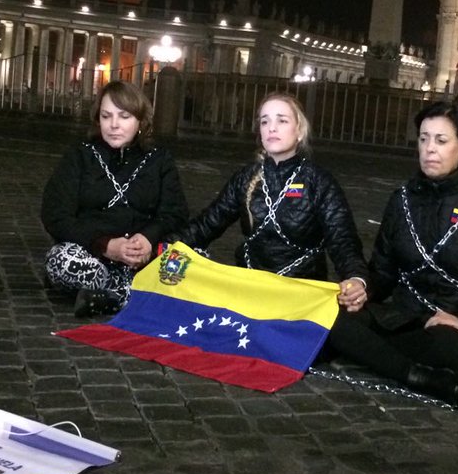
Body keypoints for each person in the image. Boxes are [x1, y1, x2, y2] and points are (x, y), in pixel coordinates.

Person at [321, 100, 458, 405]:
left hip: (451, 329)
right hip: (401, 318)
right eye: (424, 138)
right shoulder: (401, 200)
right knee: (331, 319)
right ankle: (418, 376)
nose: (429, 148)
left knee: (445, 349)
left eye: (441, 141)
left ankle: (372, 353)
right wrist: (363, 287)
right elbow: (383, 272)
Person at [180, 92, 367, 309]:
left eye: (282, 120)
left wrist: (356, 278)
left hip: (300, 296)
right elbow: (208, 224)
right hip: (250, 290)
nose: (272, 127)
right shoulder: (246, 177)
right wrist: (159, 244)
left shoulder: (319, 181)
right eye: (265, 121)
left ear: (299, 131)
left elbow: (342, 239)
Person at [41, 80, 189, 316]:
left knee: (191, 260)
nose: (114, 125)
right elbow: (56, 215)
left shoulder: (159, 160)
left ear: (140, 120)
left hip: (143, 258)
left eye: (124, 116)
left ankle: (110, 298)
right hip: (91, 255)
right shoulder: (80, 156)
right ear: (97, 119)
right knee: (61, 260)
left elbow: (175, 212)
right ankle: (139, 295)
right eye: (106, 116)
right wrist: (106, 245)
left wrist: (147, 239)